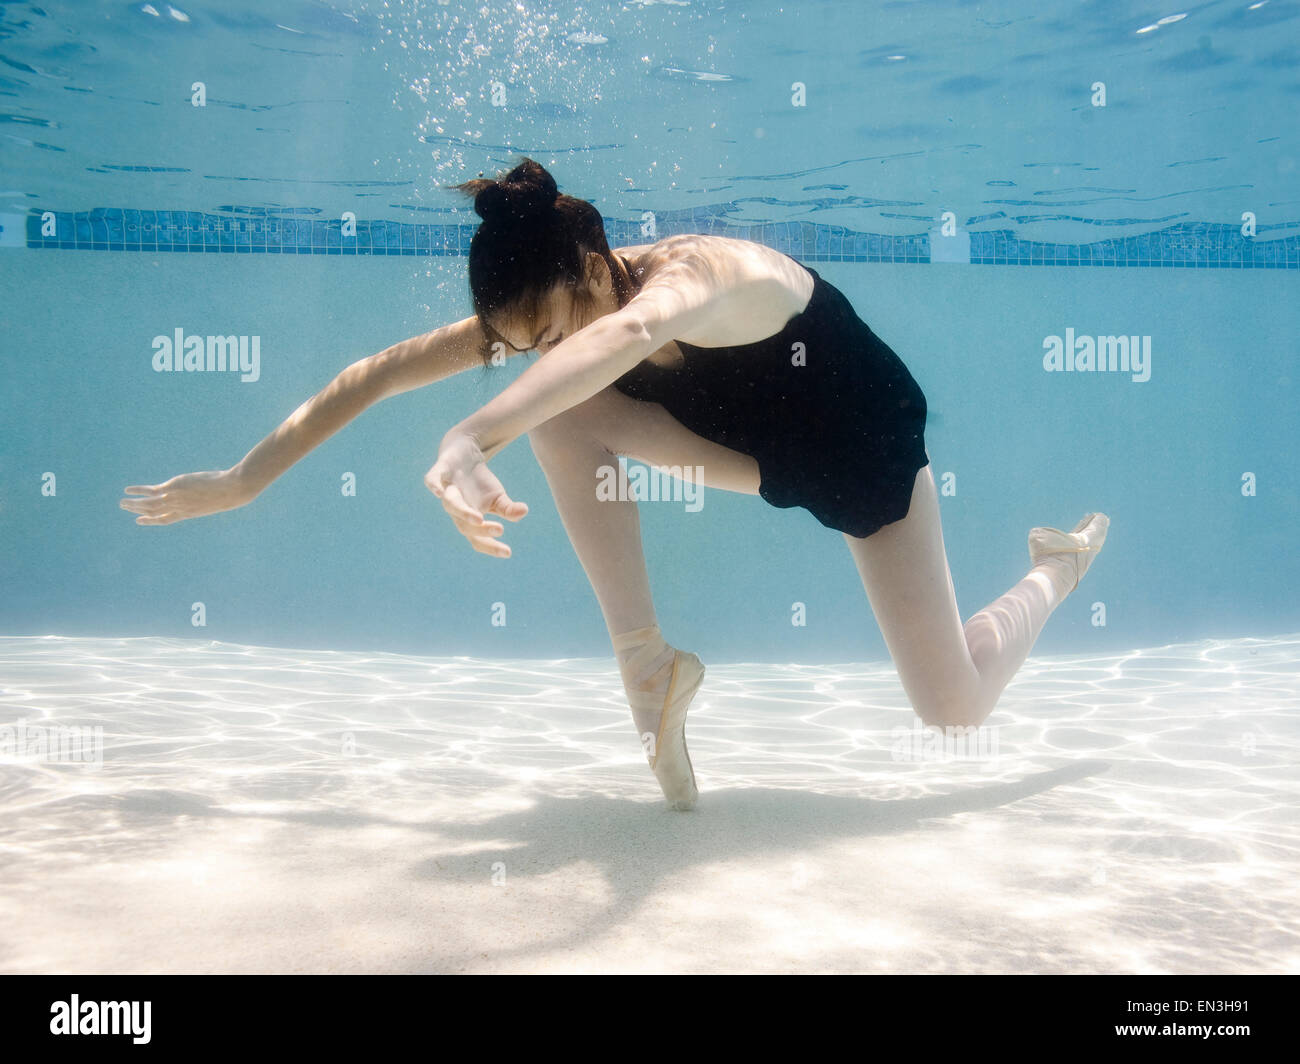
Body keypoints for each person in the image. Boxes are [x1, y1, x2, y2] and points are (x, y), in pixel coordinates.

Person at [121, 157, 1109, 811]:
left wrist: (472, 431)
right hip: (748, 458)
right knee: (554, 403)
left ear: (598, 263)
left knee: (952, 708)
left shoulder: (698, 273)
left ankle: (1055, 568)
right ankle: (645, 660)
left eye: (552, 331)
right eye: (524, 342)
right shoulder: (545, 321)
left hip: (866, 455)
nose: (546, 351)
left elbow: (629, 334)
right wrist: (244, 480)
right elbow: (377, 374)